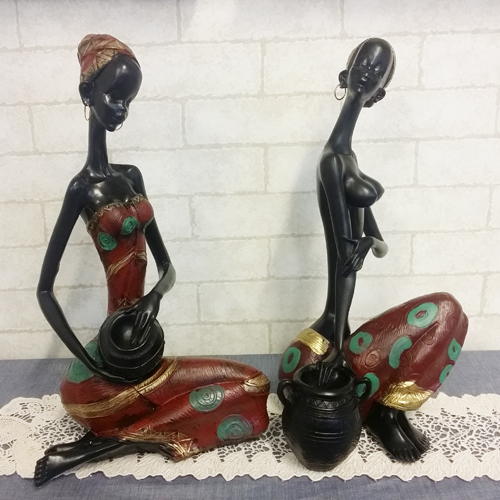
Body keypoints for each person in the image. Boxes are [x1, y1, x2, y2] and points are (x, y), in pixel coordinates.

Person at [35, 35, 269, 486]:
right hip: (105, 367)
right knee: (243, 395)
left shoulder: (132, 176)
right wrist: (90, 359)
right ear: (87, 93)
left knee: (255, 388)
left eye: (129, 100)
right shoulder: (81, 190)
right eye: (114, 95)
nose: (122, 108)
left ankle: (107, 442)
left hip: (145, 348)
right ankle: (117, 441)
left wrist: (154, 298)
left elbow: (167, 267)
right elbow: (45, 291)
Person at [279, 39, 468, 463]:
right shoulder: (331, 161)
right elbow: (344, 261)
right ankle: (384, 411)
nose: (368, 72)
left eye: (377, 71)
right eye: (363, 63)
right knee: (447, 310)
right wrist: (338, 342)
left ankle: (380, 407)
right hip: (327, 337)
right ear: (345, 74)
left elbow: (375, 245)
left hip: (334, 340)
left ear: (380, 92)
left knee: (451, 313)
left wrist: (369, 241)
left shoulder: (349, 158)